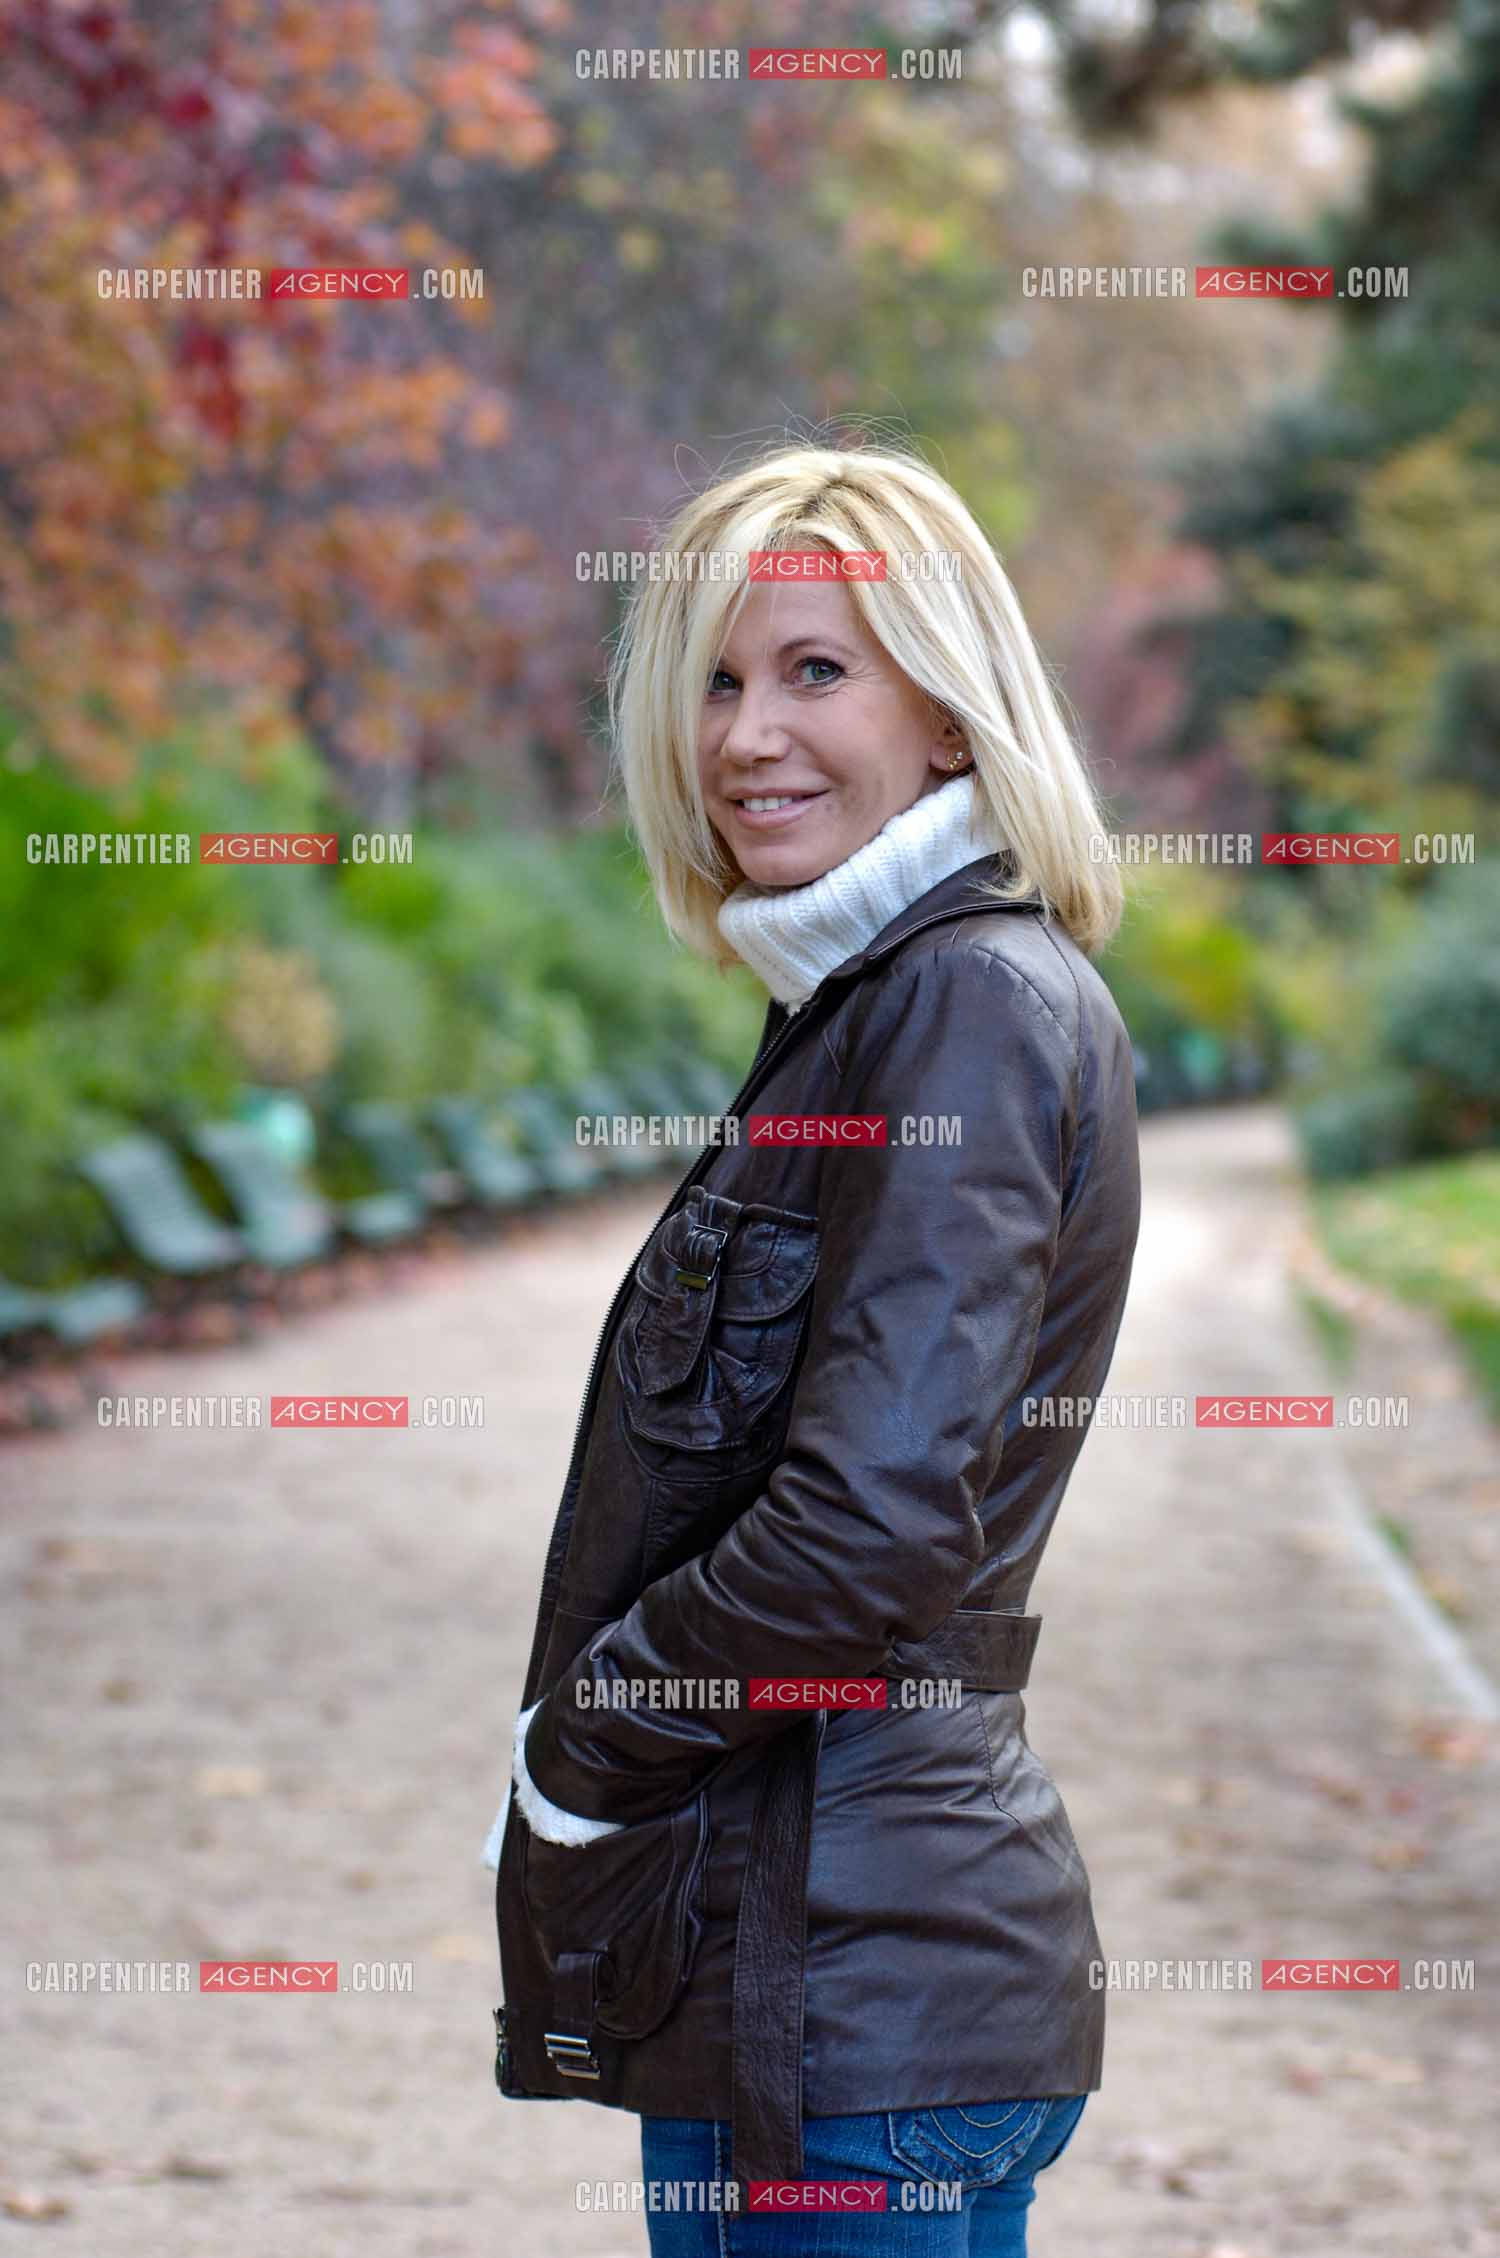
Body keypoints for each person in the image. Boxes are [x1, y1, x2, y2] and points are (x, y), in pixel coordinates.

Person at [484, 439, 1141, 2255]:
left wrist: (584, 1745)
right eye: (715, 677)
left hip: (849, 2001)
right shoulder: (868, 1005)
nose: (745, 733)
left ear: (948, 711)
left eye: (814, 670)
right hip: (817, 1975)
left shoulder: (957, 1008)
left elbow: (865, 1531)